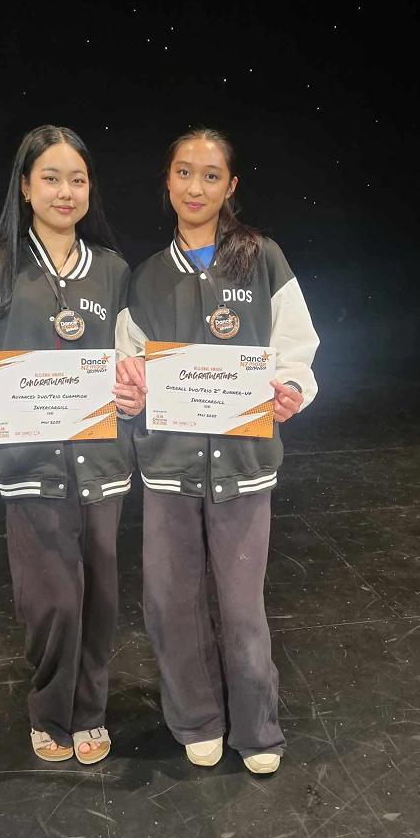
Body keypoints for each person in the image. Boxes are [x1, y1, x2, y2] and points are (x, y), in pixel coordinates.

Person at [0, 125, 144, 765]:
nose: (65, 191)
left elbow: (132, 358)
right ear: (25, 187)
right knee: (51, 600)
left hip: (102, 463)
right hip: (30, 463)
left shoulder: (113, 271)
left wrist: (134, 390)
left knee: (100, 599)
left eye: (77, 179)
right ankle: (51, 711)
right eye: (50, 178)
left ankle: (90, 711)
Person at [117, 127, 319, 774]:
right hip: (169, 469)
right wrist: (128, 390)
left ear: (230, 186)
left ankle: (257, 729)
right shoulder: (146, 278)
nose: (195, 187)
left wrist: (291, 389)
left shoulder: (262, 259)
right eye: (183, 172)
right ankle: (196, 719)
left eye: (210, 176)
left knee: (241, 608)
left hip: (244, 467)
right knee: (170, 604)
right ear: (167, 180)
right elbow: (127, 366)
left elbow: (296, 349)